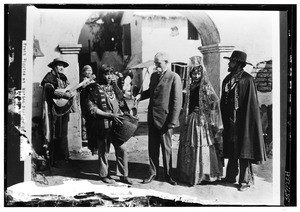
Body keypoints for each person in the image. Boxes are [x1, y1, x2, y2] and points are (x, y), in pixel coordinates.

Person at [220, 50, 266, 191]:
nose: (229, 63)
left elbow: (251, 105)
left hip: (244, 122)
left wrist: (246, 122)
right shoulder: (227, 79)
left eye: (232, 61)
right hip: (230, 122)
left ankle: (245, 181)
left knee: (244, 150)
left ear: (239, 64)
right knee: (232, 148)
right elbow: (224, 101)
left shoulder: (248, 80)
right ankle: (230, 176)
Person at [134, 52, 182, 185]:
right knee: (152, 148)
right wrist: (140, 96)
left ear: (166, 62)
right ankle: (152, 173)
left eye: (158, 63)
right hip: (152, 118)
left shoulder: (174, 77)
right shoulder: (154, 76)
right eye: (155, 63)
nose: (156, 66)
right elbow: (151, 91)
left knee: (166, 148)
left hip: (166, 120)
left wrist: (173, 121)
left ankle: (168, 175)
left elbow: (177, 101)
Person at [80, 64, 133, 185]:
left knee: (122, 149)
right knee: (103, 150)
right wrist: (109, 115)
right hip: (101, 123)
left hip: (116, 124)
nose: (109, 76)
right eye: (106, 74)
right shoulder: (93, 88)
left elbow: (121, 103)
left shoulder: (114, 87)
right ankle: (104, 174)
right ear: (101, 75)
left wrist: (125, 115)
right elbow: (91, 108)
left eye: (111, 73)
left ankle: (124, 175)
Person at [176, 56, 224, 186]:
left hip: (201, 120)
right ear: (190, 73)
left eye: (198, 73)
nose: (196, 75)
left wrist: (205, 109)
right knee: (190, 143)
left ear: (202, 73)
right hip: (190, 119)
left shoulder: (205, 87)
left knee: (201, 144)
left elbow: (215, 100)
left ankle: (204, 174)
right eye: (194, 73)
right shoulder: (189, 86)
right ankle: (190, 173)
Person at [41, 57, 75, 166]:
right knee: (55, 132)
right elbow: (49, 89)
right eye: (59, 66)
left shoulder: (64, 78)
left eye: (62, 66)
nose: (61, 68)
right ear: (54, 67)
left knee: (63, 133)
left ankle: (64, 156)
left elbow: (69, 89)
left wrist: (71, 93)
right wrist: (63, 94)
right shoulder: (49, 77)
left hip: (63, 108)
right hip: (54, 109)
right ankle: (54, 159)